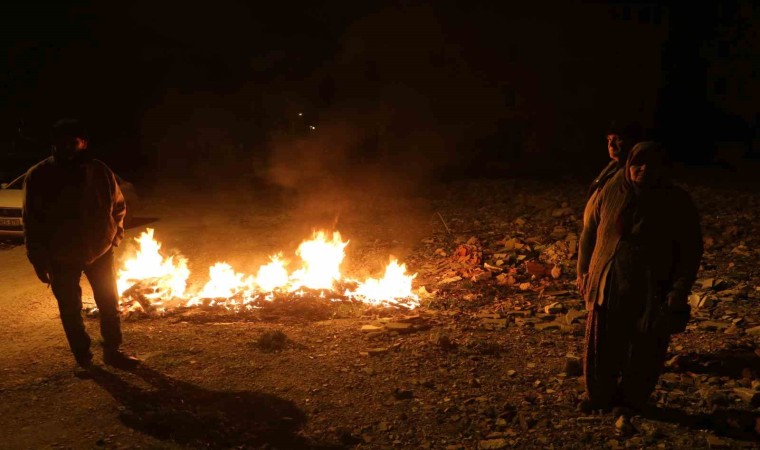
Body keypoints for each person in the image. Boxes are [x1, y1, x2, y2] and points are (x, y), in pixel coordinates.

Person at [576, 142, 702, 415]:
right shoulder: (612, 191)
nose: (643, 169)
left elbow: (690, 250)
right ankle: (599, 395)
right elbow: (590, 230)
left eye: (651, 165)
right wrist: (584, 271)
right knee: (602, 341)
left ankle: (631, 400)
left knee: (645, 344)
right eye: (637, 163)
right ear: (628, 165)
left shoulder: (676, 201)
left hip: (651, 285)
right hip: (609, 280)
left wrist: (678, 290)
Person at [23, 119, 140, 370]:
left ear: (83, 143)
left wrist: (115, 235)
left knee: (109, 302)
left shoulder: (99, 170)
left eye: (72, 142)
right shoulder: (39, 175)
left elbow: (118, 205)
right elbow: (31, 220)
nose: (66, 147)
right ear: (54, 144)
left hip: (100, 250)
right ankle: (83, 357)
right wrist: (37, 258)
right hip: (60, 255)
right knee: (70, 309)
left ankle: (113, 351)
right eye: (61, 142)